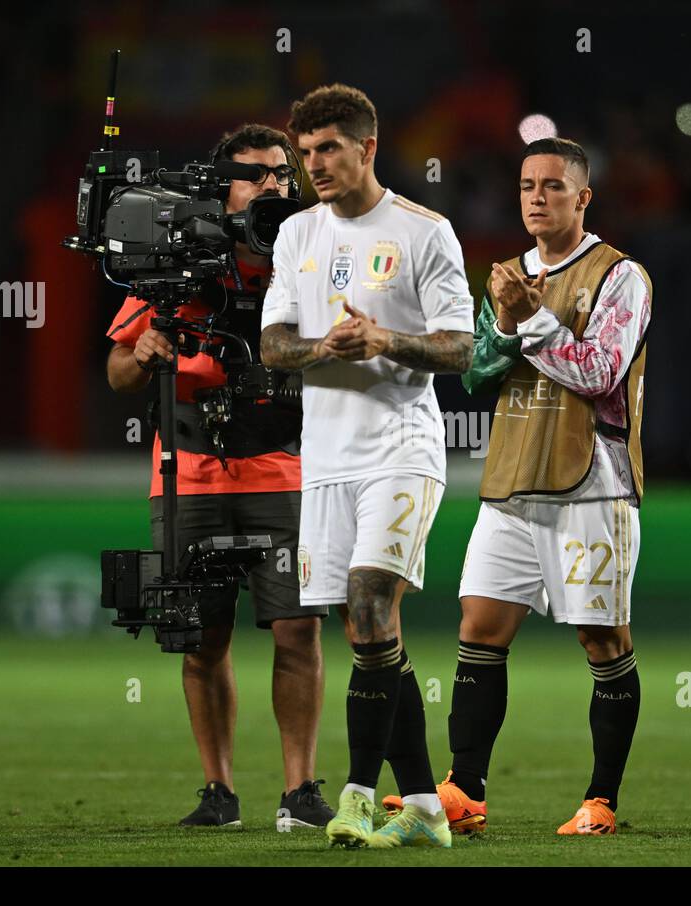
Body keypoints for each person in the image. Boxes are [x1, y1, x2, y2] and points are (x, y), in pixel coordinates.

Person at [389, 137, 652, 836]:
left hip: (590, 480)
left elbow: (599, 374)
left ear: (582, 198)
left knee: (601, 639)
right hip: (513, 475)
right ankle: (464, 790)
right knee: (478, 626)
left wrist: (531, 320)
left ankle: (601, 800)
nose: (537, 197)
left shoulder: (620, 276)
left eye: (553, 187)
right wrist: (505, 319)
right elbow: (476, 372)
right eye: (528, 185)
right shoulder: (508, 275)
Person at [260, 84, 474, 849]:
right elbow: (273, 345)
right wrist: (327, 347)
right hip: (327, 461)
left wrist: (386, 341)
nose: (315, 164)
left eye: (328, 149)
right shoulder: (295, 237)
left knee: (369, 597)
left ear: (367, 148)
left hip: (401, 450)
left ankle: (355, 796)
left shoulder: (425, 232)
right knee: (368, 630)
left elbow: (462, 346)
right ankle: (423, 802)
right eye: (305, 151)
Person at [105, 123, 332, 832]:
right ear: (219, 186)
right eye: (255, 174)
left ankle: (299, 791)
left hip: (285, 468)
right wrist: (143, 351)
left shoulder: (312, 255)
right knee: (201, 640)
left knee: (296, 630)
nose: (271, 187)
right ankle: (218, 792)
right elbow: (115, 374)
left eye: (281, 176)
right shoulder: (175, 259)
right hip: (191, 472)